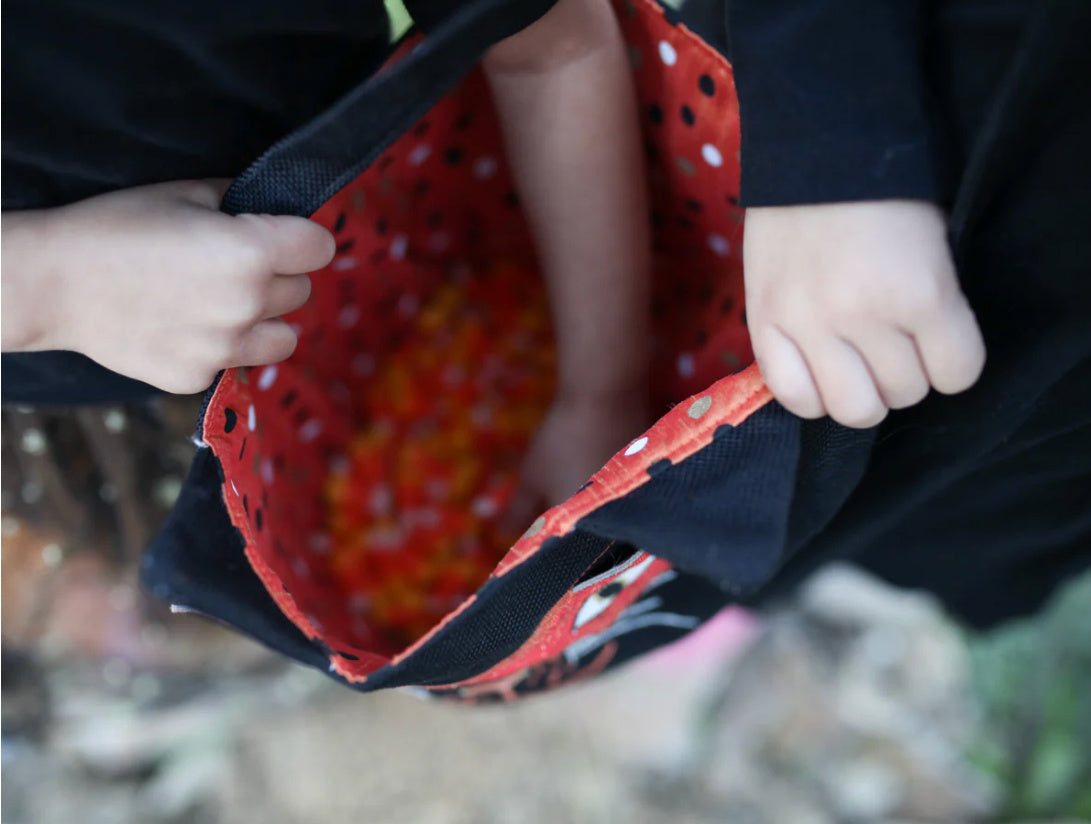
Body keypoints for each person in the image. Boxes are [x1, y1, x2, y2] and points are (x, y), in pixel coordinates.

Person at [1, 0, 651, 519]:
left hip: (402, 243)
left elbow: (548, 47)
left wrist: (598, 392)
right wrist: (50, 290)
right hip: (52, 400)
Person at [714, 0, 1091, 625]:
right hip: (891, 166)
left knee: (933, 539)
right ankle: (695, 589)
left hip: (1047, 459)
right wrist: (827, 134)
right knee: (748, 442)